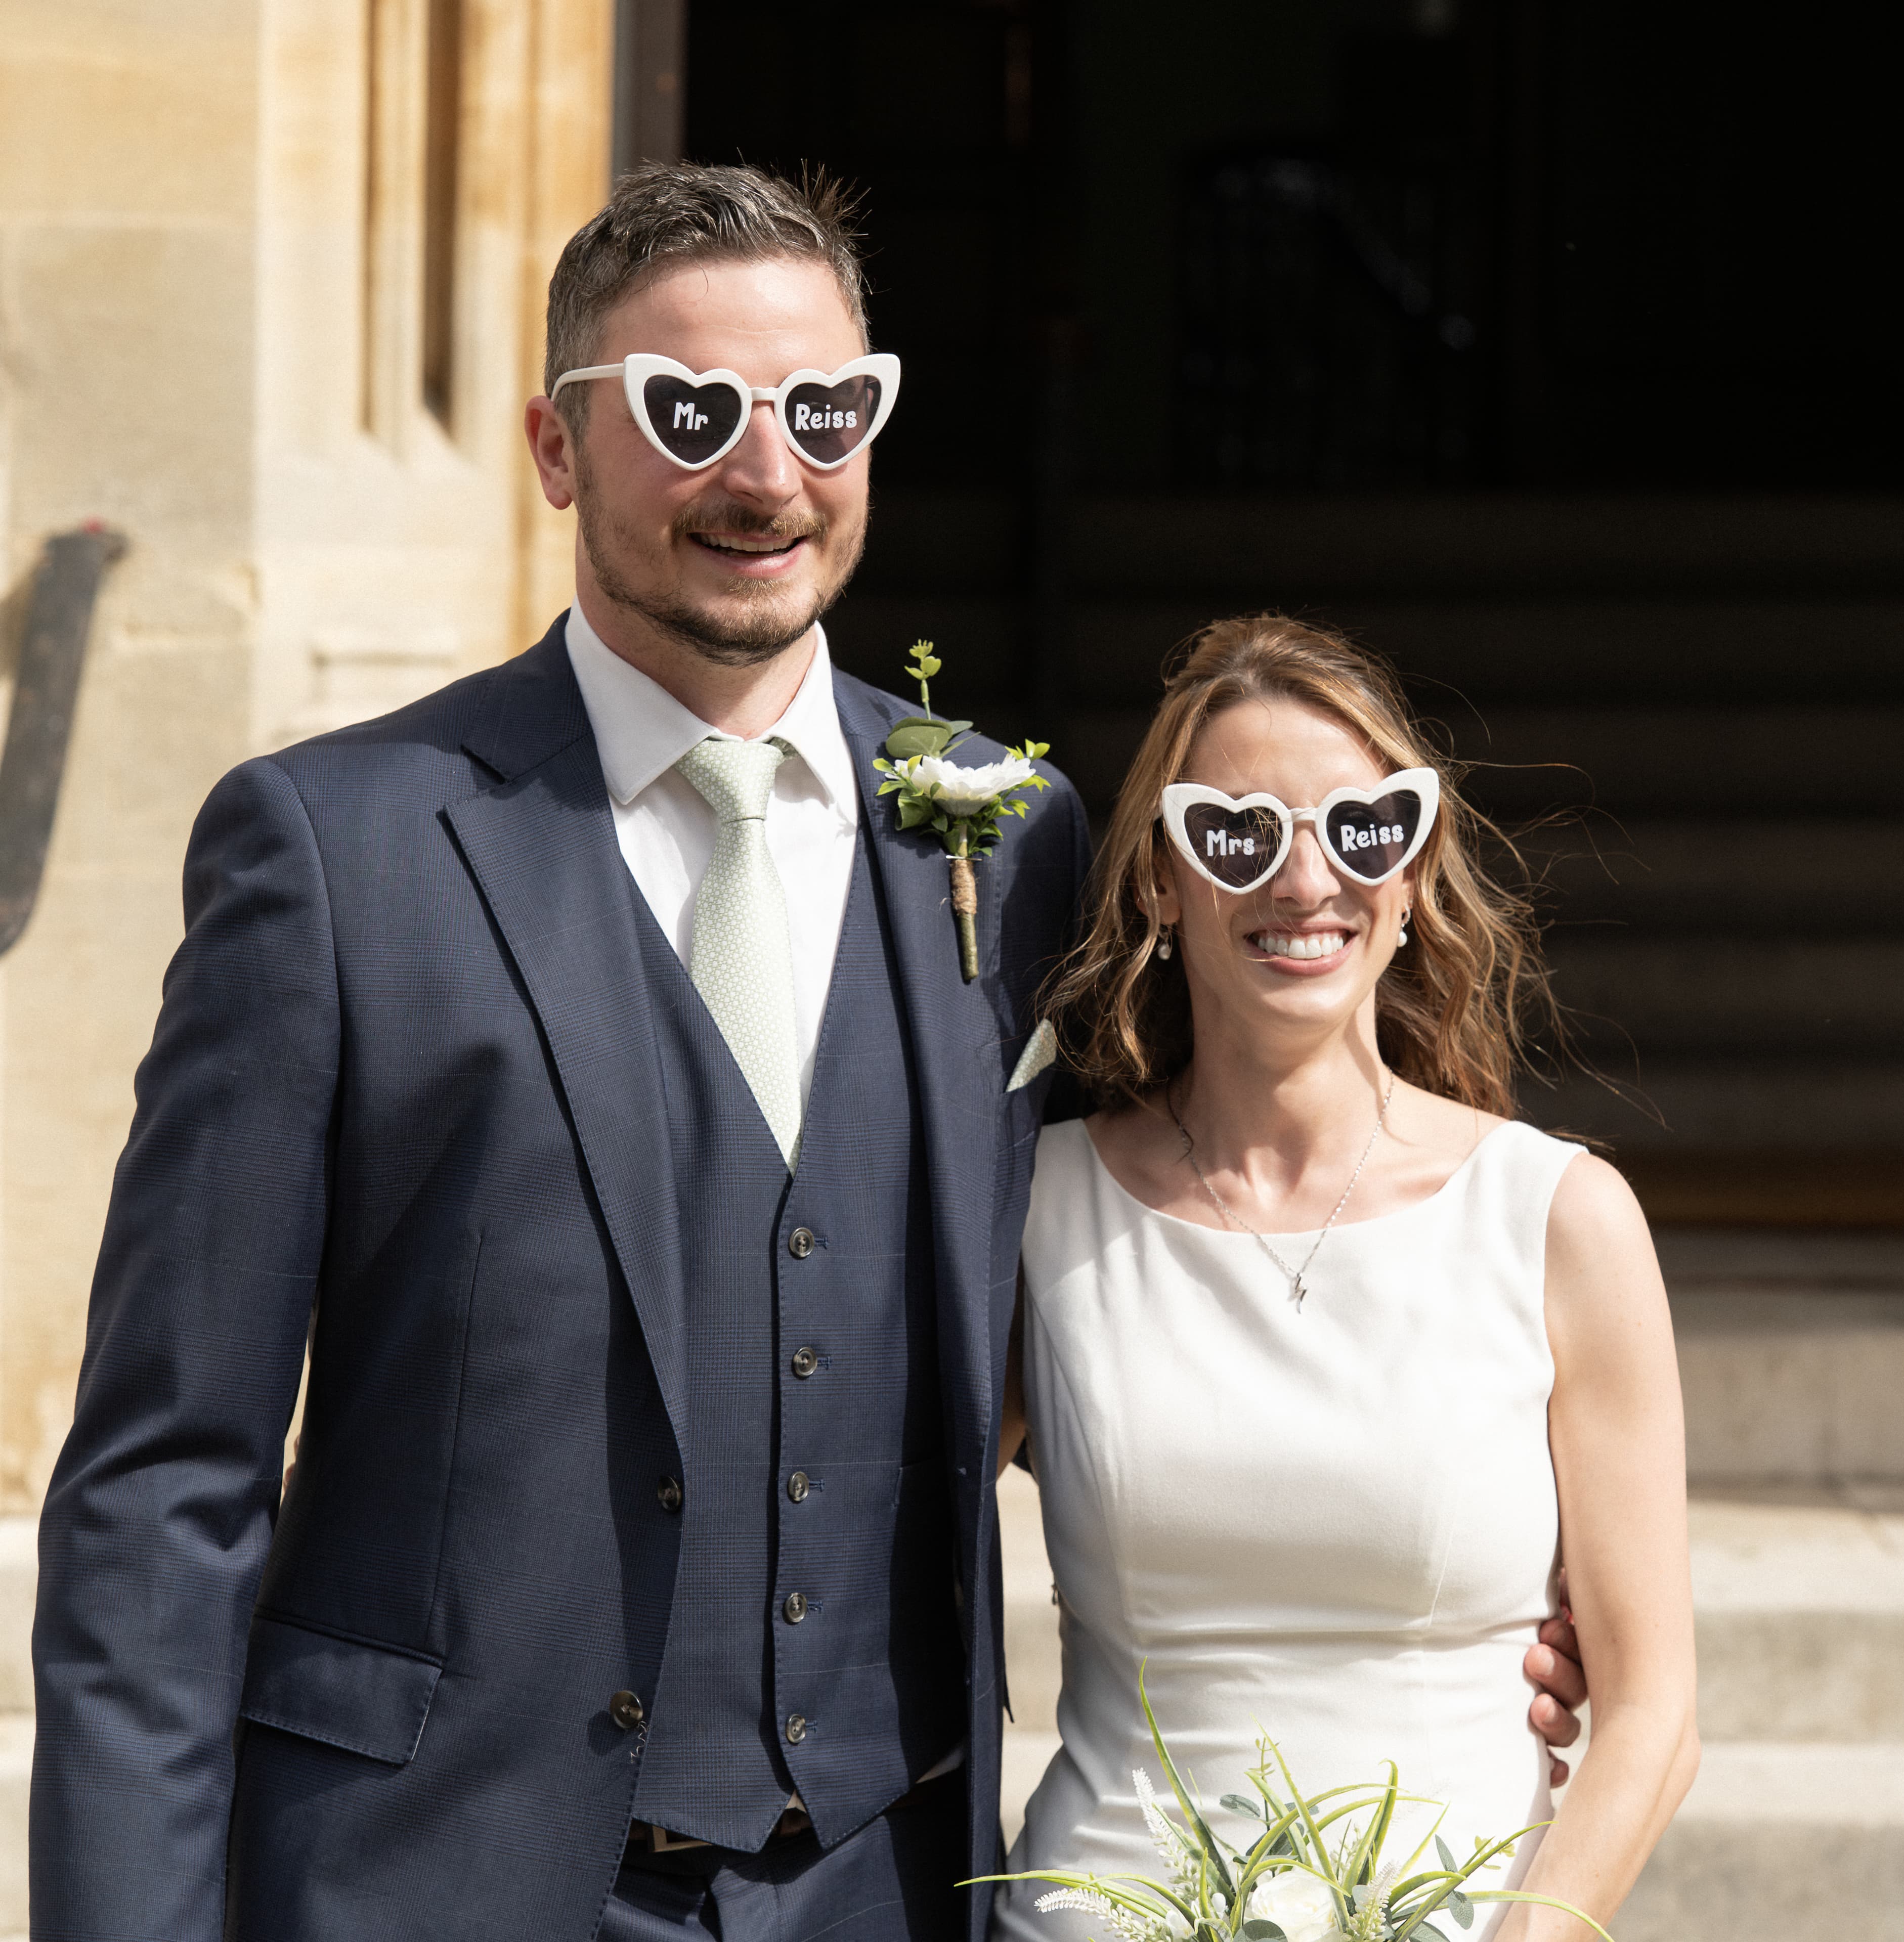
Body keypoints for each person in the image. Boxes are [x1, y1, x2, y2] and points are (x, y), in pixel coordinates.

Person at [28, 163, 1586, 1942]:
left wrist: (1454, 1590)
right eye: (691, 413)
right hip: (429, 1883)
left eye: (824, 409)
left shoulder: (1013, 841)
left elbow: (1178, 1256)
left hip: (891, 1889)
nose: (766, 475)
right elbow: (166, 1490)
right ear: (555, 445)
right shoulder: (335, 850)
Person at [995, 615, 1698, 1942]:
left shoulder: (1561, 1220)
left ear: (1417, 864)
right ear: (1160, 878)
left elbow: (1654, 1716)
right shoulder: (1043, 1213)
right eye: (1238, 835)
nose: (1305, 881)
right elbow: (853, 1540)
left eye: (1362, 828)